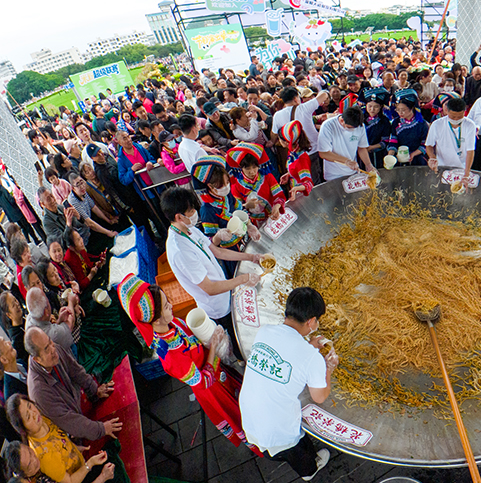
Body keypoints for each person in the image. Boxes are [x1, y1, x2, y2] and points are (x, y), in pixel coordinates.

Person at [117, 274, 260, 454]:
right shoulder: (172, 357)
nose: (172, 306)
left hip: (218, 371)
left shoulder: (173, 323)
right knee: (242, 415)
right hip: (213, 389)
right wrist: (214, 346)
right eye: (167, 306)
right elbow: (203, 382)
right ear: (156, 320)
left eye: (168, 301)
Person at [239, 287, 338, 481]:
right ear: (311, 321)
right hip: (277, 430)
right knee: (297, 456)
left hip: (248, 417)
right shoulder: (312, 358)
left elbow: (287, 354)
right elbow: (319, 397)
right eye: (318, 320)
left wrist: (309, 347)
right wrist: (328, 369)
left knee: (288, 445)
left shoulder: (265, 331)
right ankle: (309, 472)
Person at [161, 186, 264, 360]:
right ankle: (244, 361)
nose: (195, 213)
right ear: (178, 217)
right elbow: (210, 288)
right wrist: (243, 279)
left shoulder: (190, 230)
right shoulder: (179, 250)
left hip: (225, 291)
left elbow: (218, 251)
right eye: (191, 211)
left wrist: (251, 257)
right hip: (217, 305)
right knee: (237, 340)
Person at [25, 327, 121, 442]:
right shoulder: (39, 391)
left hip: (78, 411)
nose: (53, 348)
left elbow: (76, 371)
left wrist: (94, 389)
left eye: (50, 341)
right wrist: (101, 429)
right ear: (37, 359)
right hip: (68, 435)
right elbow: (68, 420)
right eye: (46, 349)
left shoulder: (54, 350)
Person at [5, 395, 116, 483]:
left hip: (83, 465)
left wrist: (73, 449)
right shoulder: (43, 456)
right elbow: (71, 481)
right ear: (23, 429)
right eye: (28, 417)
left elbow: (59, 441)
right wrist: (91, 465)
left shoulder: (42, 419)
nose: (34, 414)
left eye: (30, 406)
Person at [273, 87, 330, 184]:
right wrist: (323, 91)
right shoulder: (304, 108)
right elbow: (324, 95)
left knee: (302, 181)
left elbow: (275, 134)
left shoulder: (277, 115)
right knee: (316, 181)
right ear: (295, 99)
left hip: (295, 155)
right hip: (312, 151)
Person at [226, 143, 286, 227]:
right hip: (256, 222)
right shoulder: (236, 185)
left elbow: (279, 195)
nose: (252, 172)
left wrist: (276, 206)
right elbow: (237, 209)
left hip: (275, 215)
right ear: (240, 168)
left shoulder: (267, 176)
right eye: (247, 168)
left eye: (254, 167)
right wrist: (246, 206)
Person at [424, 96, 476, 183]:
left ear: (464, 112)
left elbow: (470, 151)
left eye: (459, 117)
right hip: (442, 166)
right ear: (446, 111)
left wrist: (466, 174)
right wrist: (432, 157)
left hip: (461, 168)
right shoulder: (437, 124)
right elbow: (429, 145)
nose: (456, 119)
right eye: (453, 116)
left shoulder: (470, 125)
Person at [318, 106, 376, 181]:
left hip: (353, 172)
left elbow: (362, 148)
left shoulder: (360, 126)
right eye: (350, 128)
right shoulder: (328, 126)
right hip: (334, 175)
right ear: (342, 120)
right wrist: (346, 161)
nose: (353, 130)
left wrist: (368, 165)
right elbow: (323, 153)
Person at [386, 90, 430, 167]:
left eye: (403, 110)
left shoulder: (422, 124)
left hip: (418, 159)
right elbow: (393, 140)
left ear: (412, 108)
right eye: (398, 110)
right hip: (400, 159)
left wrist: (413, 154)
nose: (400, 113)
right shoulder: (396, 122)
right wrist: (390, 155)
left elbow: (425, 144)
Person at [276, 121, 315, 202]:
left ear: (286, 142)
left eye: (279, 138)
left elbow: (309, 184)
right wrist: (289, 174)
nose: (278, 140)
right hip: (296, 194)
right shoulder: (292, 152)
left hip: (303, 198)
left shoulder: (301, 159)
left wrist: (296, 188)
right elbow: (296, 169)